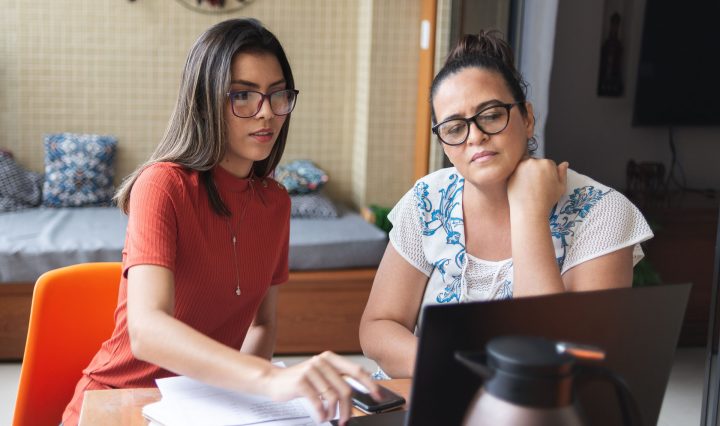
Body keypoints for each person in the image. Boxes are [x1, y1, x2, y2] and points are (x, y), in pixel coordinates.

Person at [62, 18, 379, 425]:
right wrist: (267, 380)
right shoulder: (163, 185)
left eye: (277, 94)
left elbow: (262, 323)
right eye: (243, 96)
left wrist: (245, 404)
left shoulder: (276, 202)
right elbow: (147, 330)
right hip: (121, 402)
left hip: (202, 409)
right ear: (205, 100)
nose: (266, 114)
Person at [359, 30, 653, 379]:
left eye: (492, 115)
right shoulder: (428, 199)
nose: (476, 136)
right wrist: (460, 370)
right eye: (455, 128)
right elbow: (378, 327)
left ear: (527, 118)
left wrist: (529, 213)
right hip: (429, 393)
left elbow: (557, 364)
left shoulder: (600, 212)